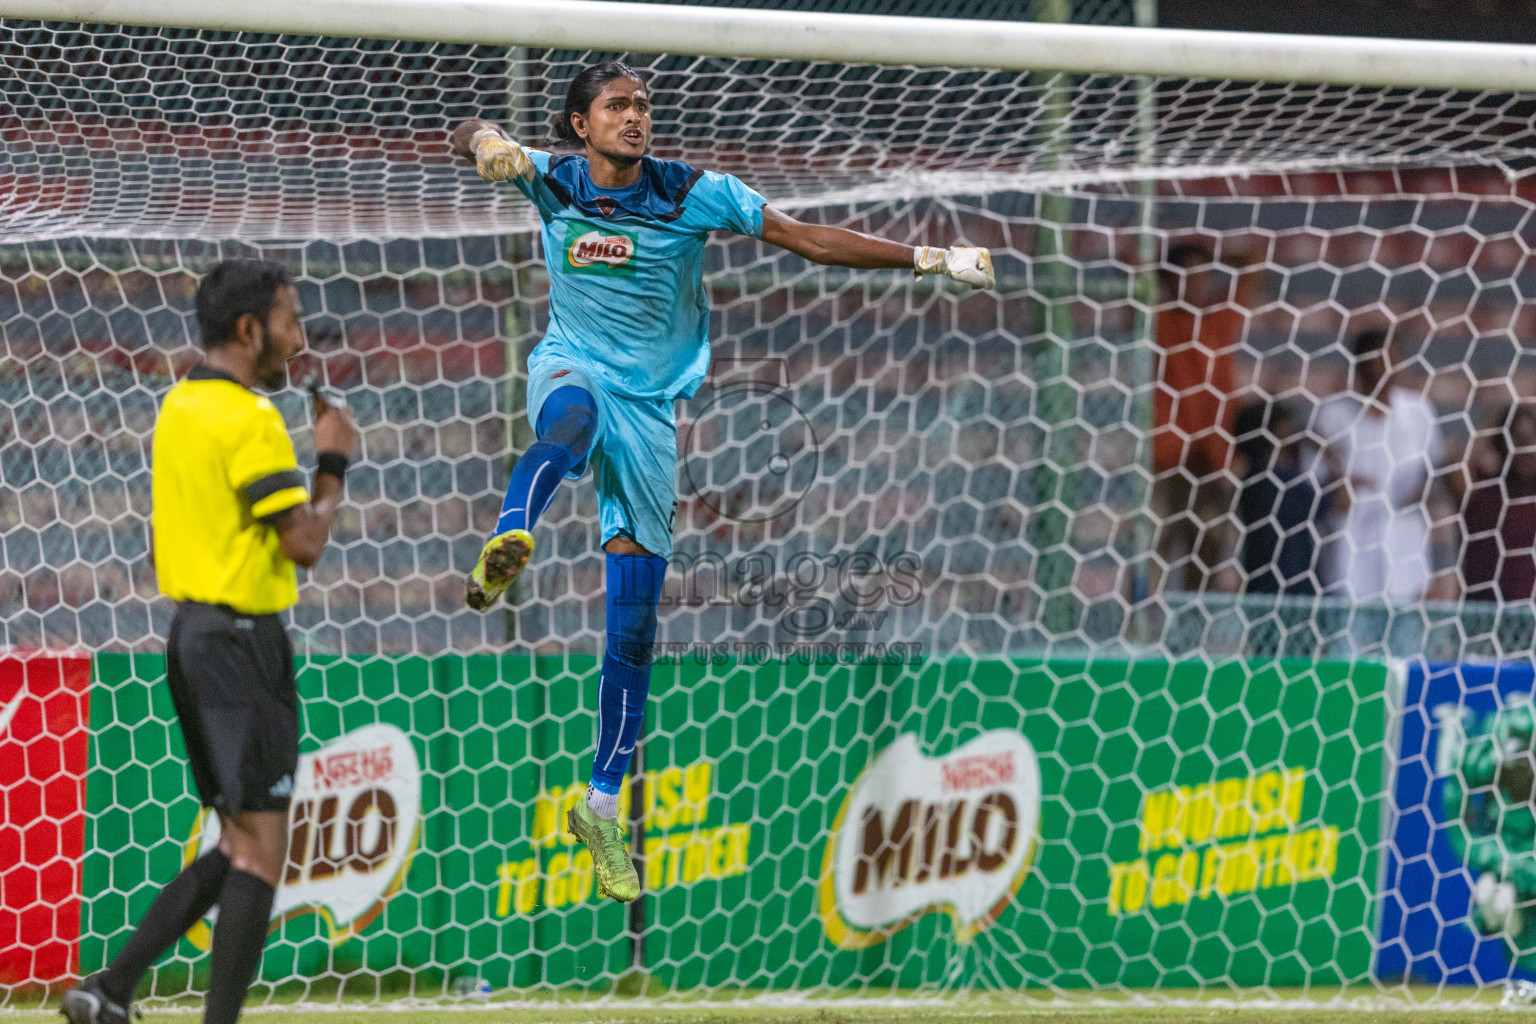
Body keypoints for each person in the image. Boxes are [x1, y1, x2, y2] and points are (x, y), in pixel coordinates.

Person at [449, 61, 994, 903]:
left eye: (643, 105)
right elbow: (469, 133)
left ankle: (599, 803)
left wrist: (929, 256)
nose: (635, 117)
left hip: (655, 412)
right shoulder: (549, 180)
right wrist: (484, 138)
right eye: (616, 107)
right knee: (569, 421)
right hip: (574, 366)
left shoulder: (692, 193)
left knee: (633, 630)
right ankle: (508, 532)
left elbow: (809, 239)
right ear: (579, 126)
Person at [60, 260, 359, 1024]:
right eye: (289, 320)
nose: (296, 339)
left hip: (189, 635)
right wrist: (332, 462)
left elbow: (162, 549)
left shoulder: (178, 407)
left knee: (238, 840)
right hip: (240, 639)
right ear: (249, 328)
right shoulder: (248, 418)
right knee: (264, 847)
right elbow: (303, 543)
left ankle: (110, 989)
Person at [1316, 328, 1444, 607]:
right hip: (1349, 560)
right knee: (1348, 646)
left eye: (1392, 361)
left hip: (1405, 558)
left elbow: (1434, 476)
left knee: (1405, 646)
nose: (1384, 371)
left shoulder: (1420, 413)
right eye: (1376, 363)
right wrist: (1340, 485)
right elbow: (1314, 483)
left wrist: (1424, 494)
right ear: (1360, 368)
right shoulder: (1332, 416)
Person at [1232, 399, 1325, 595]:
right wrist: (1332, 458)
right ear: (1276, 429)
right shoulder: (1269, 478)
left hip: (1272, 581)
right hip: (1287, 584)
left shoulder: (1257, 474)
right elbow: (1324, 504)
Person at [1462, 401, 1536, 602]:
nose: (1528, 449)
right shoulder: (1484, 490)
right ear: (1503, 443)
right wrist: (1500, 407)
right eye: (1519, 440)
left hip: (1527, 617)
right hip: (1480, 611)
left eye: (1532, 439)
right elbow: (1462, 463)